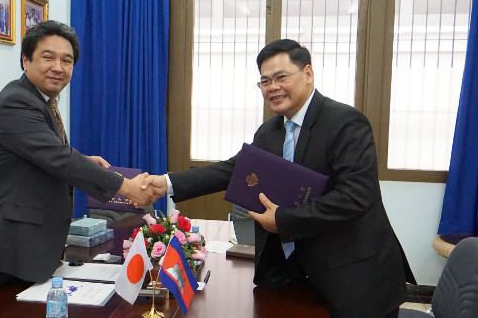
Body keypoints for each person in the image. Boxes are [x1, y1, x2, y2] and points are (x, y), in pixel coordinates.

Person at [141, 39, 416, 318]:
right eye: (264, 81)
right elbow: (233, 169)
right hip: (297, 274)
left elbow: (356, 197)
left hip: (356, 276)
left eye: (281, 77)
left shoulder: (346, 123)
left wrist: (283, 220)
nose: (273, 87)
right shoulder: (269, 132)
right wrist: (166, 183)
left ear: (308, 74)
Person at [0, 20, 159, 306]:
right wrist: (127, 188)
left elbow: (40, 154)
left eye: (67, 60)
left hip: (21, 248)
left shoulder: (41, 102)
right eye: (48, 57)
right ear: (25, 60)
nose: (58, 67)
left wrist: (82, 160)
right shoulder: (16, 102)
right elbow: (58, 158)